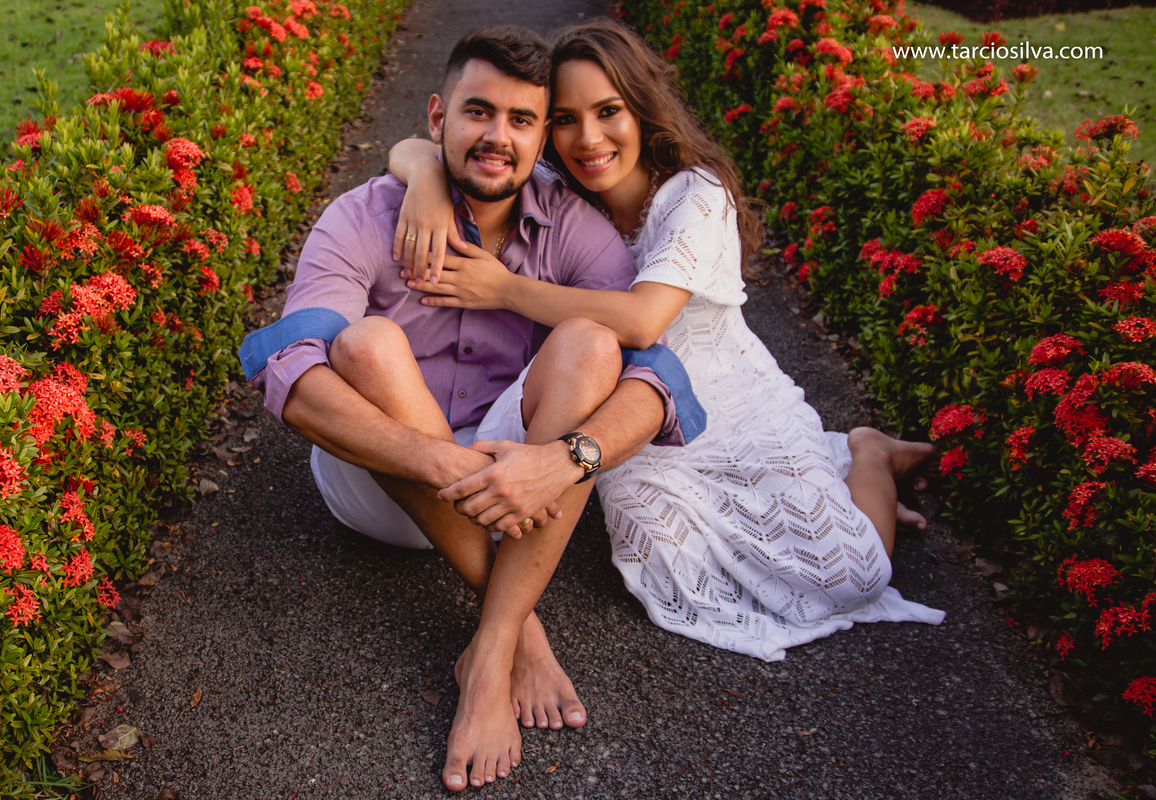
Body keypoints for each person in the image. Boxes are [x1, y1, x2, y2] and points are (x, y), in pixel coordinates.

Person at [388, 18, 945, 665]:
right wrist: (426, 177)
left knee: (850, 575)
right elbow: (425, 143)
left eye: (608, 112)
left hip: (729, 399)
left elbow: (645, 321)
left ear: (642, 107)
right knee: (665, 557)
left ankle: (869, 454)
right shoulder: (566, 188)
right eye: (565, 119)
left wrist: (501, 288)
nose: (588, 138)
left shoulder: (695, 195)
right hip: (636, 404)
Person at [241, 26, 703, 791]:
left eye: (522, 120)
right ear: (436, 118)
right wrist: (442, 462)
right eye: (478, 112)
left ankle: (487, 655)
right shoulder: (360, 217)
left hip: (514, 472)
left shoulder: (574, 230)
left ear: (541, 138)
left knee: (593, 342)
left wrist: (563, 460)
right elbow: (289, 372)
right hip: (380, 476)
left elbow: (655, 382)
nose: (498, 136)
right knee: (365, 346)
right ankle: (524, 633)